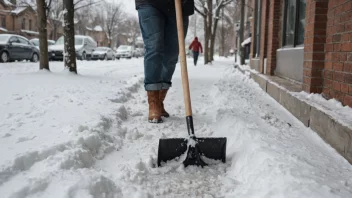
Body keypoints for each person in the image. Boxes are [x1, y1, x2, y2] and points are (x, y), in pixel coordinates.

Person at [135, 0, 194, 123]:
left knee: (172, 55)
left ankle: (160, 100)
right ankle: (154, 103)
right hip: (150, 3)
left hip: (180, 5)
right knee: (154, 46)